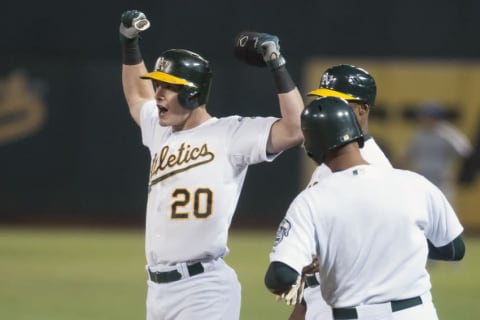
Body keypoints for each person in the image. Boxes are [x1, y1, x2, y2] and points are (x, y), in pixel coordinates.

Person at [119, 10, 304, 320]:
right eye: (158, 84)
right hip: (158, 292)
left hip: (203, 289)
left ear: (193, 95)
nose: (159, 94)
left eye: (168, 87)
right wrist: (129, 43)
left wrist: (277, 63)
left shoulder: (230, 133)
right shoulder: (159, 129)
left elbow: (295, 129)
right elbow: (138, 96)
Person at [265, 96, 465, 320]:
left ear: (311, 146)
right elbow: (455, 249)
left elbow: (280, 276)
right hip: (416, 313)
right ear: (357, 134)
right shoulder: (415, 183)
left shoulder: (311, 200)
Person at [289, 64, 392, 320]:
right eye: (322, 99)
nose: (325, 108)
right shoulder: (333, 157)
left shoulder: (373, 166)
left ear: (362, 109)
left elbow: (378, 244)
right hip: (318, 294)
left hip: (346, 300)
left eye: (336, 101)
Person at [405, 102, 472, 207]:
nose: (424, 119)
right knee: (421, 206)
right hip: (422, 176)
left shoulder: (447, 133)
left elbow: (466, 151)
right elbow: (409, 155)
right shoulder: (419, 134)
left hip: (441, 179)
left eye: (427, 116)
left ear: (436, 118)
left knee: (443, 208)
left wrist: (458, 173)